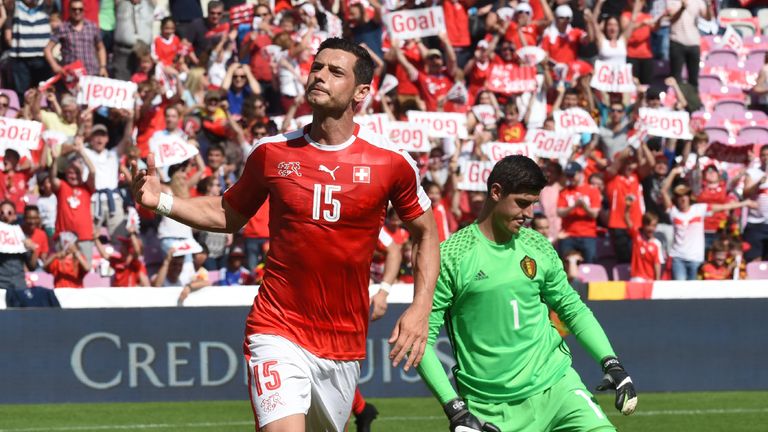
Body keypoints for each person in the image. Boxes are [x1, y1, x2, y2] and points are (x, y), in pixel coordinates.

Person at [131, 37, 439, 431]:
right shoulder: (272, 152)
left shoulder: (391, 162)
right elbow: (228, 213)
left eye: (335, 71)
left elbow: (426, 235)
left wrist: (420, 309)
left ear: (362, 92)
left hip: (343, 343)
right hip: (276, 328)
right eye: (317, 67)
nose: (320, 75)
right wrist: (162, 201)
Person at [417, 155, 638, 432]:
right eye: (522, 202)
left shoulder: (538, 245)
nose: (529, 213)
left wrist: (611, 363)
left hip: (558, 388)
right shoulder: (451, 256)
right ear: (496, 192)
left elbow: (573, 309)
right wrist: (455, 410)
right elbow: (420, 338)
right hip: (491, 409)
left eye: (533, 203)